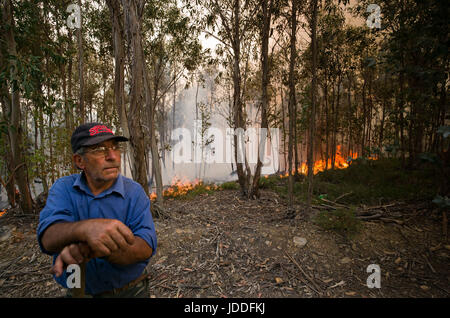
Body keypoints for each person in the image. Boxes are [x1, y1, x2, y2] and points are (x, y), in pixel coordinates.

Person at [37, 122, 157, 297]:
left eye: (115, 147)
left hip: (130, 290)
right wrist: (85, 229)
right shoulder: (64, 188)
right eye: (99, 149)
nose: (112, 156)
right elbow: (48, 238)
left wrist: (94, 248)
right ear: (79, 161)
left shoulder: (134, 192)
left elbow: (146, 246)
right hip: (79, 290)